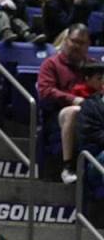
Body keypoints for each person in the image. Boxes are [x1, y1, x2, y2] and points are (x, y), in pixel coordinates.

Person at [37, 23, 91, 183]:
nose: (77, 46)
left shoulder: (93, 67)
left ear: (88, 45)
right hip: (57, 115)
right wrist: (73, 99)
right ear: (66, 40)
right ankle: (67, 167)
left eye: (82, 43)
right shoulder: (51, 64)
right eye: (74, 41)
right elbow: (46, 91)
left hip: (90, 115)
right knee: (74, 111)